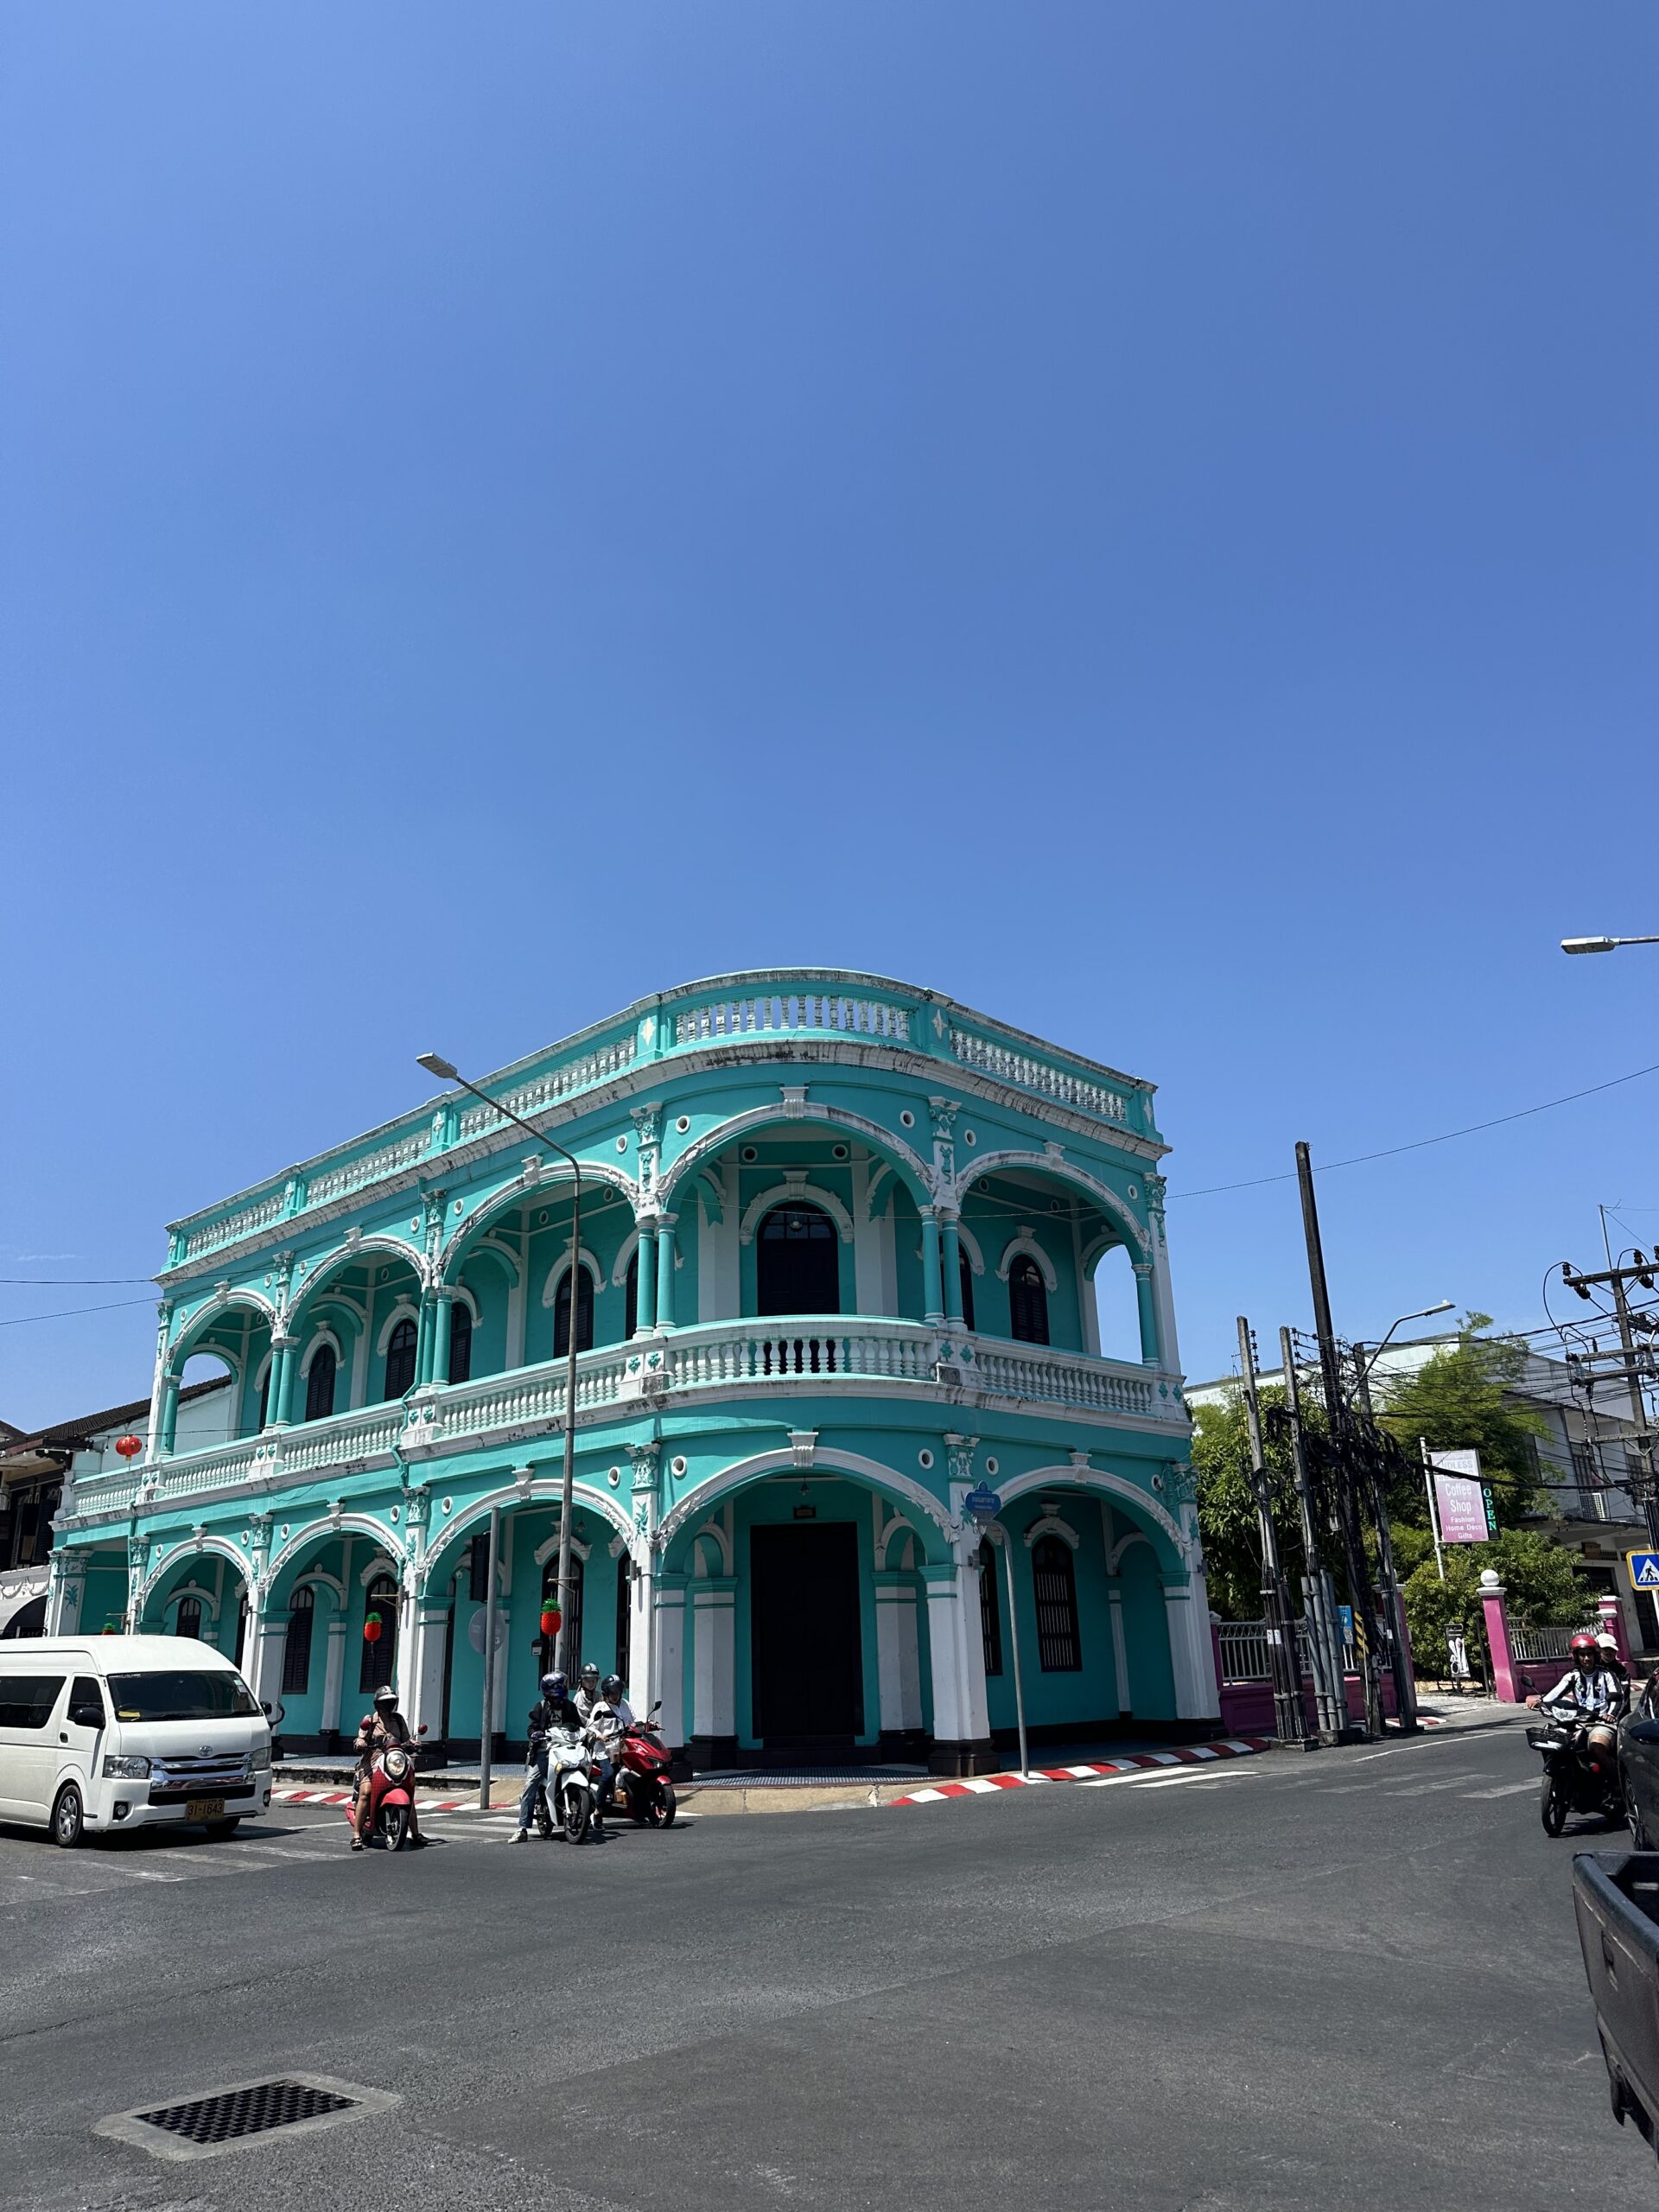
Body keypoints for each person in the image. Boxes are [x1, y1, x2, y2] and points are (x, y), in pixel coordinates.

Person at [510, 1671, 582, 1843]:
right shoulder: (541, 1707)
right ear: (551, 1688)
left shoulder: (570, 1707)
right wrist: (534, 1734)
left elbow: (578, 1726)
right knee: (531, 1783)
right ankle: (522, 1829)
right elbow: (532, 1727)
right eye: (560, 1684)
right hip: (544, 1751)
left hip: (566, 1749)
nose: (564, 1687)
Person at [352, 1681, 425, 1851]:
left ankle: (415, 1833)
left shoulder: (398, 1720)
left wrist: (413, 1743)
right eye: (385, 1702)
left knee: (408, 1791)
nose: (389, 1705)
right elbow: (360, 1738)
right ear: (377, 1704)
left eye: (391, 1701)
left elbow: (406, 1739)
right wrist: (361, 1742)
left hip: (395, 1760)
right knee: (366, 1792)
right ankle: (356, 1834)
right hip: (372, 1760)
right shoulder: (369, 1720)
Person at [1530, 1631, 1625, 1723]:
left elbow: (1617, 1697)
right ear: (1576, 1657)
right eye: (1582, 1655)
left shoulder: (1607, 1675)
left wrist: (1611, 1715)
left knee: (1599, 1735)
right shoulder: (1572, 1676)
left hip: (1600, 1722)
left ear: (1595, 1655)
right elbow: (1555, 1693)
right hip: (1577, 1720)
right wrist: (1540, 1702)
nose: (1587, 1658)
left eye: (1589, 1654)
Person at [584, 1673, 634, 1818]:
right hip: (605, 1751)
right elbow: (590, 1727)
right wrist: (600, 1735)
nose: (615, 1696)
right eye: (612, 1693)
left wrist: (649, 1724)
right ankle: (598, 1809)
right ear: (606, 1693)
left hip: (624, 1748)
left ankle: (637, 1808)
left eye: (617, 1692)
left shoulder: (625, 1704)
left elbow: (634, 1721)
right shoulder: (600, 1706)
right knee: (609, 1774)